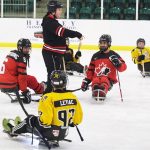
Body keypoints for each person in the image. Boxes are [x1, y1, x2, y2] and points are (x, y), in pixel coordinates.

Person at [2, 70, 83, 146]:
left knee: (29, 120)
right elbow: (77, 120)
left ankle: (13, 130)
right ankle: (22, 125)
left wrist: (33, 120)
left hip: (49, 133)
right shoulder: (73, 97)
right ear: (65, 82)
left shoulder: (48, 97)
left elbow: (45, 121)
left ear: (52, 83)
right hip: (63, 133)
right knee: (34, 120)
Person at [41, 0, 83, 93]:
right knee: (53, 73)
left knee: (57, 72)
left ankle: (57, 89)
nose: (61, 11)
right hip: (50, 52)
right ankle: (48, 92)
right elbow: (62, 32)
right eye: (59, 9)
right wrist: (77, 34)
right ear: (53, 10)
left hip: (55, 52)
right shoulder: (49, 21)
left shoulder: (51, 20)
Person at [81, 34, 127, 100]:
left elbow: (124, 67)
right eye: (101, 43)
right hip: (96, 78)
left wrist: (119, 64)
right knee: (95, 80)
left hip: (108, 80)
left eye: (104, 43)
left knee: (104, 80)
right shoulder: (95, 56)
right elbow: (91, 70)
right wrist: (86, 81)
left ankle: (102, 90)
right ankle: (95, 90)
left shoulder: (113, 55)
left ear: (109, 44)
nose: (102, 45)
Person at [0, 38, 46, 104]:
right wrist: (25, 91)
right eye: (25, 48)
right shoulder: (21, 58)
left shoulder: (11, 53)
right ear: (20, 48)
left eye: (28, 48)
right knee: (31, 79)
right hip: (11, 84)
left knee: (26, 77)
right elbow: (22, 77)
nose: (27, 50)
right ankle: (41, 89)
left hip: (2, 84)